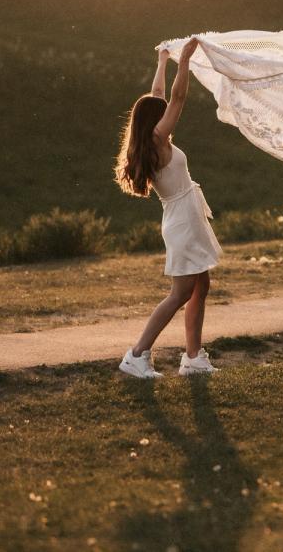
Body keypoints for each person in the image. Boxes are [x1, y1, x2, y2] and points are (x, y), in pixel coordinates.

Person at [115, 38, 223, 378]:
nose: (166, 112)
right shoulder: (158, 141)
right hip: (182, 221)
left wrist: (162, 60)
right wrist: (184, 61)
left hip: (185, 216)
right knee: (180, 293)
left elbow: (158, 96)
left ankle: (192, 358)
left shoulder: (150, 136)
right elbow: (176, 97)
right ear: (155, 122)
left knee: (200, 286)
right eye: (160, 113)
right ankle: (137, 354)